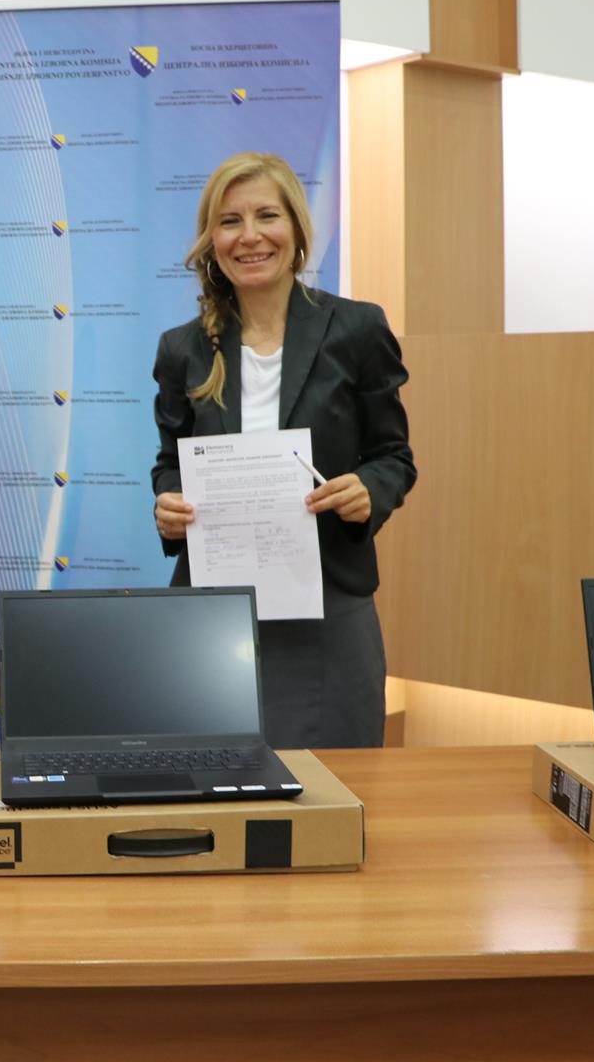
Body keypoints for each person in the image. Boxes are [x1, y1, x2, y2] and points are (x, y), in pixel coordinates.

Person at [150, 152, 415, 749]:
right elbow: (170, 461)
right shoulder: (181, 349)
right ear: (211, 240)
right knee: (210, 780)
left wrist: (369, 490)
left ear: (295, 228)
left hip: (328, 603)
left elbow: (394, 455)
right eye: (230, 221)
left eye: (266, 216)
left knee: (336, 786)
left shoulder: (357, 329)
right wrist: (167, 503)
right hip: (214, 611)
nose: (249, 236)